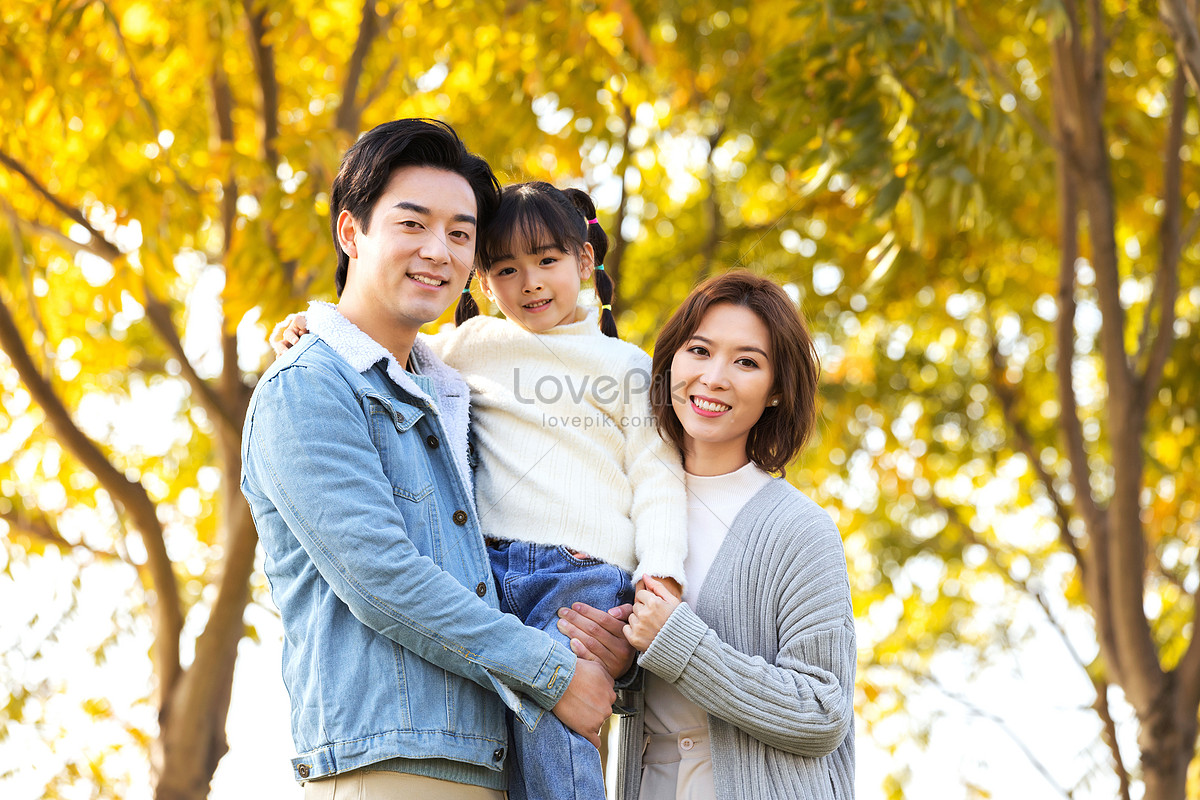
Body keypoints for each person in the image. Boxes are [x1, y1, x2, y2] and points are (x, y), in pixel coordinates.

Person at [240, 118, 622, 800]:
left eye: (459, 233)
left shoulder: (450, 392)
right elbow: (382, 577)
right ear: (351, 233)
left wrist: (607, 640)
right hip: (393, 767)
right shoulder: (311, 384)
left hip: (497, 761)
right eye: (412, 224)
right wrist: (557, 672)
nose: (437, 252)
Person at [568, 271, 856, 799]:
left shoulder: (799, 529)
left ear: (775, 391)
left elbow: (822, 711)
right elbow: (646, 679)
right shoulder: (625, 508)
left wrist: (677, 642)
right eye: (699, 350)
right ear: (671, 361)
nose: (715, 376)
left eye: (746, 362)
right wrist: (622, 665)